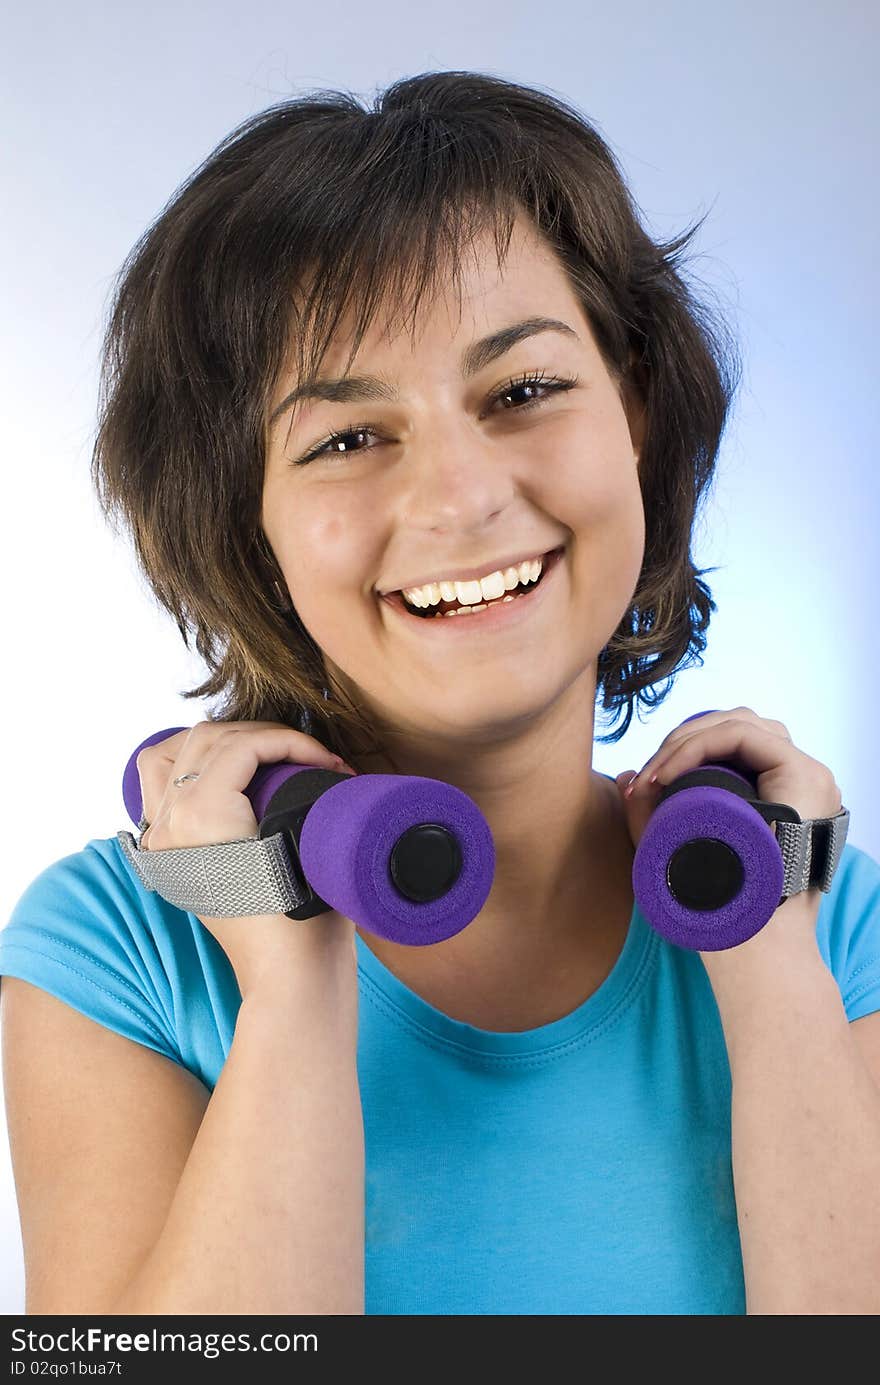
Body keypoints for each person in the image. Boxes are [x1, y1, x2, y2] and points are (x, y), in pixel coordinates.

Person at [2, 70, 879, 1318]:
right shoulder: (117, 950)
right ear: (250, 527)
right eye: (346, 438)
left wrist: (764, 950)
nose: (461, 497)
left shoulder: (828, 920)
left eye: (522, 391)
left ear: (632, 412)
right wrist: (293, 984)